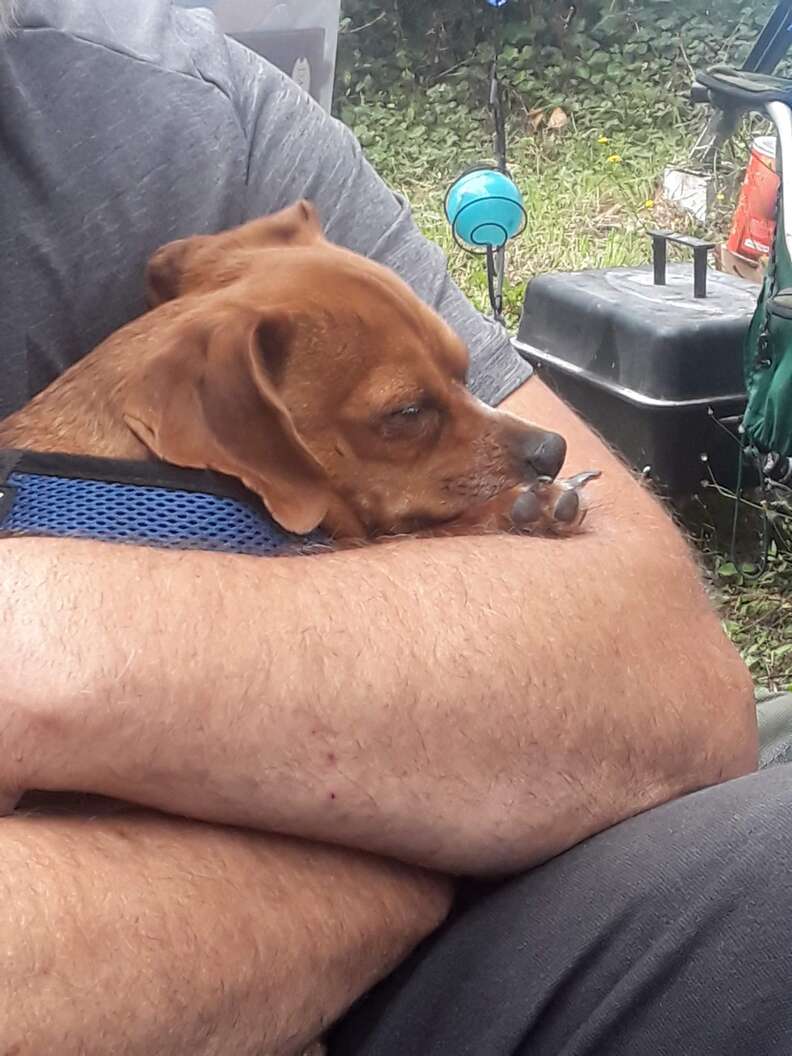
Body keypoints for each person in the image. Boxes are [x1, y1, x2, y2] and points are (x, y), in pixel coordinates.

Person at [0, 1, 789, 1053]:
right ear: (236, 425)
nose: (528, 450)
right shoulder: (193, 422)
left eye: (453, 389)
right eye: (409, 417)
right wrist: (426, 833)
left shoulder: (186, 110)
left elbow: (675, 683)